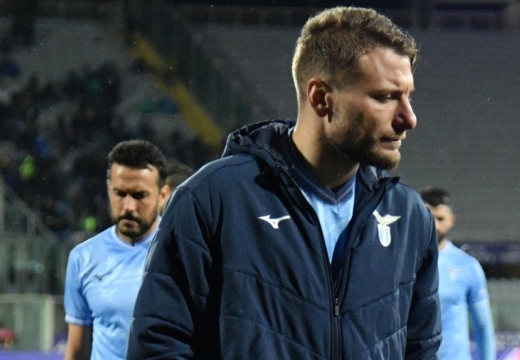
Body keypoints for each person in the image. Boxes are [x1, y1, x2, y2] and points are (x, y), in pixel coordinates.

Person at [127, 6, 441, 359]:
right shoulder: (214, 200)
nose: (408, 118)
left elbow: (421, 350)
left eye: (408, 96)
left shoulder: (410, 217)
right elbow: (158, 347)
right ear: (321, 97)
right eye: (385, 97)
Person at [63, 140, 169, 360]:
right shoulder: (83, 258)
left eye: (140, 195)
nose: (129, 206)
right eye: (120, 194)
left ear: (163, 195)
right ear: (108, 189)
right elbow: (76, 347)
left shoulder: (183, 253)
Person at [420, 187, 496, 360]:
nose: (434, 225)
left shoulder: (468, 266)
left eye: (440, 219)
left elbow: (483, 326)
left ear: (451, 221)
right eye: (429, 217)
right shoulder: (401, 263)